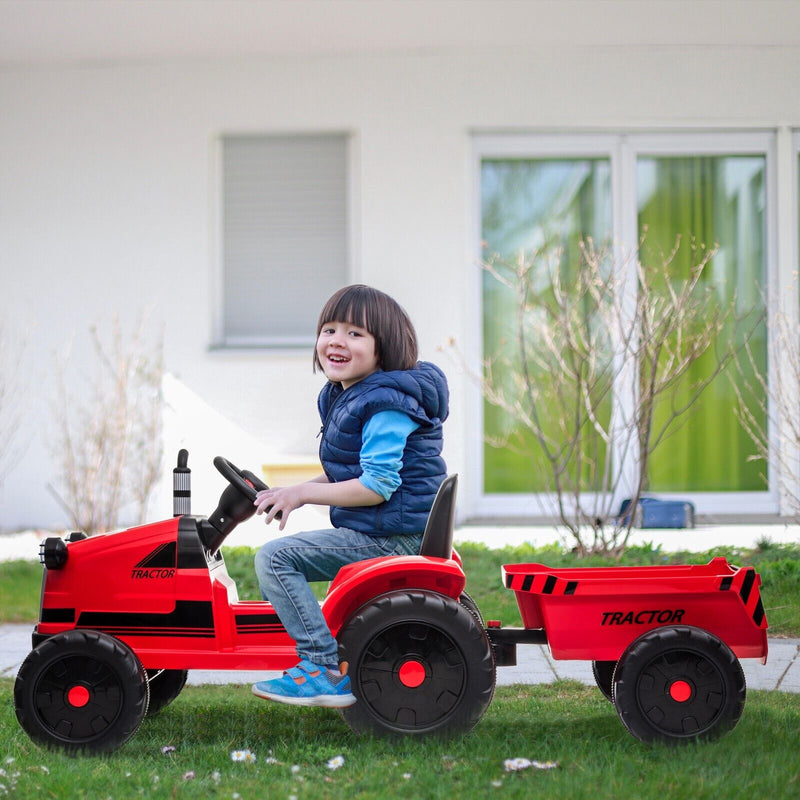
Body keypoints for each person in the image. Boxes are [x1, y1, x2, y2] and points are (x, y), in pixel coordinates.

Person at [251, 284, 449, 708]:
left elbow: (376, 485)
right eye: (329, 329)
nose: (337, 341)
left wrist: (304, 494)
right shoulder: (348, 395)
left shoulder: (385, 405)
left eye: (355, 333)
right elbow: (350, 469)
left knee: (275, 558)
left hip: (393, 538)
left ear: (385, 348)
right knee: (278, 561)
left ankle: (320, 668)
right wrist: (294, 489)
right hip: (389, 528)